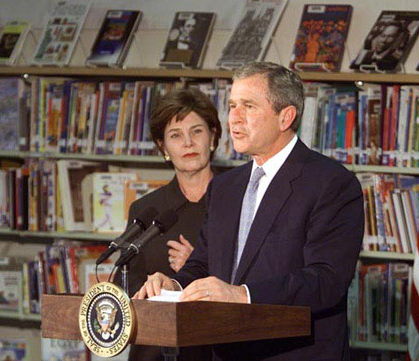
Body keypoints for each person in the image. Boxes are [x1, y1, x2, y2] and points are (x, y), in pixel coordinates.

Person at [135, 62, 364, 361]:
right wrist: (174, 284)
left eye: (248, 106)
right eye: (231, 106)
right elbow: (204, 263)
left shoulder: (331, 183)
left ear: (286, 117)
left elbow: (326, 280)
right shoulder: (225, 187)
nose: (234, 119)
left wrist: (242, 295)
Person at [123, 88, 222, 361]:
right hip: (154, 351)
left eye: (197, 131)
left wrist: (198, 270)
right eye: (176, 135)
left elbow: (255, 285)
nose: (188, 143)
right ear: (163, 148)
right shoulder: (145, 210)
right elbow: (132, 294)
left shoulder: (237, 202)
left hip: (214, 349)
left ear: (213, 137)